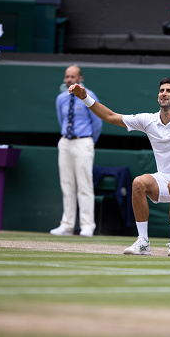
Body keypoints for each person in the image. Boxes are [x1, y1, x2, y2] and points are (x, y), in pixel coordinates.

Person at [68, 78, 170, 256]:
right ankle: (143, 242)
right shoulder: (147, 120)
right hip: (164, 179)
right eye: (161, 90)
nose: (164, 93)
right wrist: (85, 98)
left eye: (169, 91)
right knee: (138, 183)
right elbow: (111, 117)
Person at [51, 65, 102, 237]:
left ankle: (87, 225)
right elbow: (61, 120)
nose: (69, 80)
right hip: (65, 141)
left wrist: (88, 141)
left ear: (80, 78)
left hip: (83, 141)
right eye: (67, 77)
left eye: (73, 77)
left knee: (84, 184)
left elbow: (97, 123)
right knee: (67, 184)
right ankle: (66, 225)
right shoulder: (60, 99)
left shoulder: (89, 96)